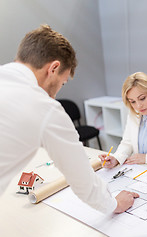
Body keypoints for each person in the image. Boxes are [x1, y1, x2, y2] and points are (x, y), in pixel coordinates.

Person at [0, 25, 139, 214]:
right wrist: (115, 204)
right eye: (62, 83)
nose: (56, 94)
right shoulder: (44, 107)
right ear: (54, 68)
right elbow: (83, 181)